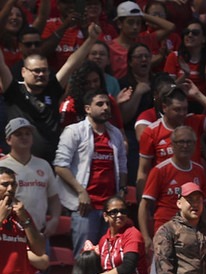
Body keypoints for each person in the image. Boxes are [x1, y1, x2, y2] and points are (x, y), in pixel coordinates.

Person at [0, 23, 102, 162]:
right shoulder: (13, 91)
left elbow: (71, 64)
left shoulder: (52, 88)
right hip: (18, 164)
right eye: (36, 70)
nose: (41, 74)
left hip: (50, 164)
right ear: (24, 72)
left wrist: (91, 39)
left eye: (44, 70)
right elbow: (1, 64)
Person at [54, 90, 127, 257]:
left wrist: (122, 190)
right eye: (100, 104)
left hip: (110, 209)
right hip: (85, 207)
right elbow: (60, 165)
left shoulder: (115, 133)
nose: (105, 107)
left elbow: (122, 166)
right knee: (84, 258)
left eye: (108, 104)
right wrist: (81, 191)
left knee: (108, 257)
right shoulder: (74, 131)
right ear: (87, 108)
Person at [136, 82, 206, 197]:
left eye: (185, 109)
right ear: (165, 107)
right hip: (166, 194)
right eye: (177, 109)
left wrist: (197, 95)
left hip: (193, 192)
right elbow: (143, 171)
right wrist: (142, 201)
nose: (182, 113)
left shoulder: (193, 121)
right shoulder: (151, 132)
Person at [139, 126, 206, 253]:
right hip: (165, 232)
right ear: (172, 145)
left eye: (189, 142)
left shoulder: (199, 170)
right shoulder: (160, 170)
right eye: (181, 142)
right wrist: (146, 237)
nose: (185, 146)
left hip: (192, 232)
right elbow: (144, 205)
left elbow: (205, 205)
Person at [0, 118, 60, 239]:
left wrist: (55, 219)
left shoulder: (44, 165)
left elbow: (54, 198)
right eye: (19, 134)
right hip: (9, 233)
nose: (24, 137)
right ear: (8, 140)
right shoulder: (1, 165)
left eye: (28, 133)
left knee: (42, 258)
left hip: (38, 232)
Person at [85, 195, 152, 274]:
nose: (119, 215)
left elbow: (128, 267)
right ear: (105, 216)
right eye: (114, 212)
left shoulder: (133, 234)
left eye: (123, 211)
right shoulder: (103, 240)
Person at [0, 166, 46, 274]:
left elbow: (39, 250)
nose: (10, 189)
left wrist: (25, 220)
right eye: (4, 184)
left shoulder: (21, 213)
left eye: (13, 184)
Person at [164, 22, 206, 100]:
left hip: (204, 105)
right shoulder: (174, 56)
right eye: (187, 32)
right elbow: (168, 90)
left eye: (195, 33)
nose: (189, 35)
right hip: (179, 104)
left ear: (204, 39)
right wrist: (185, 75)